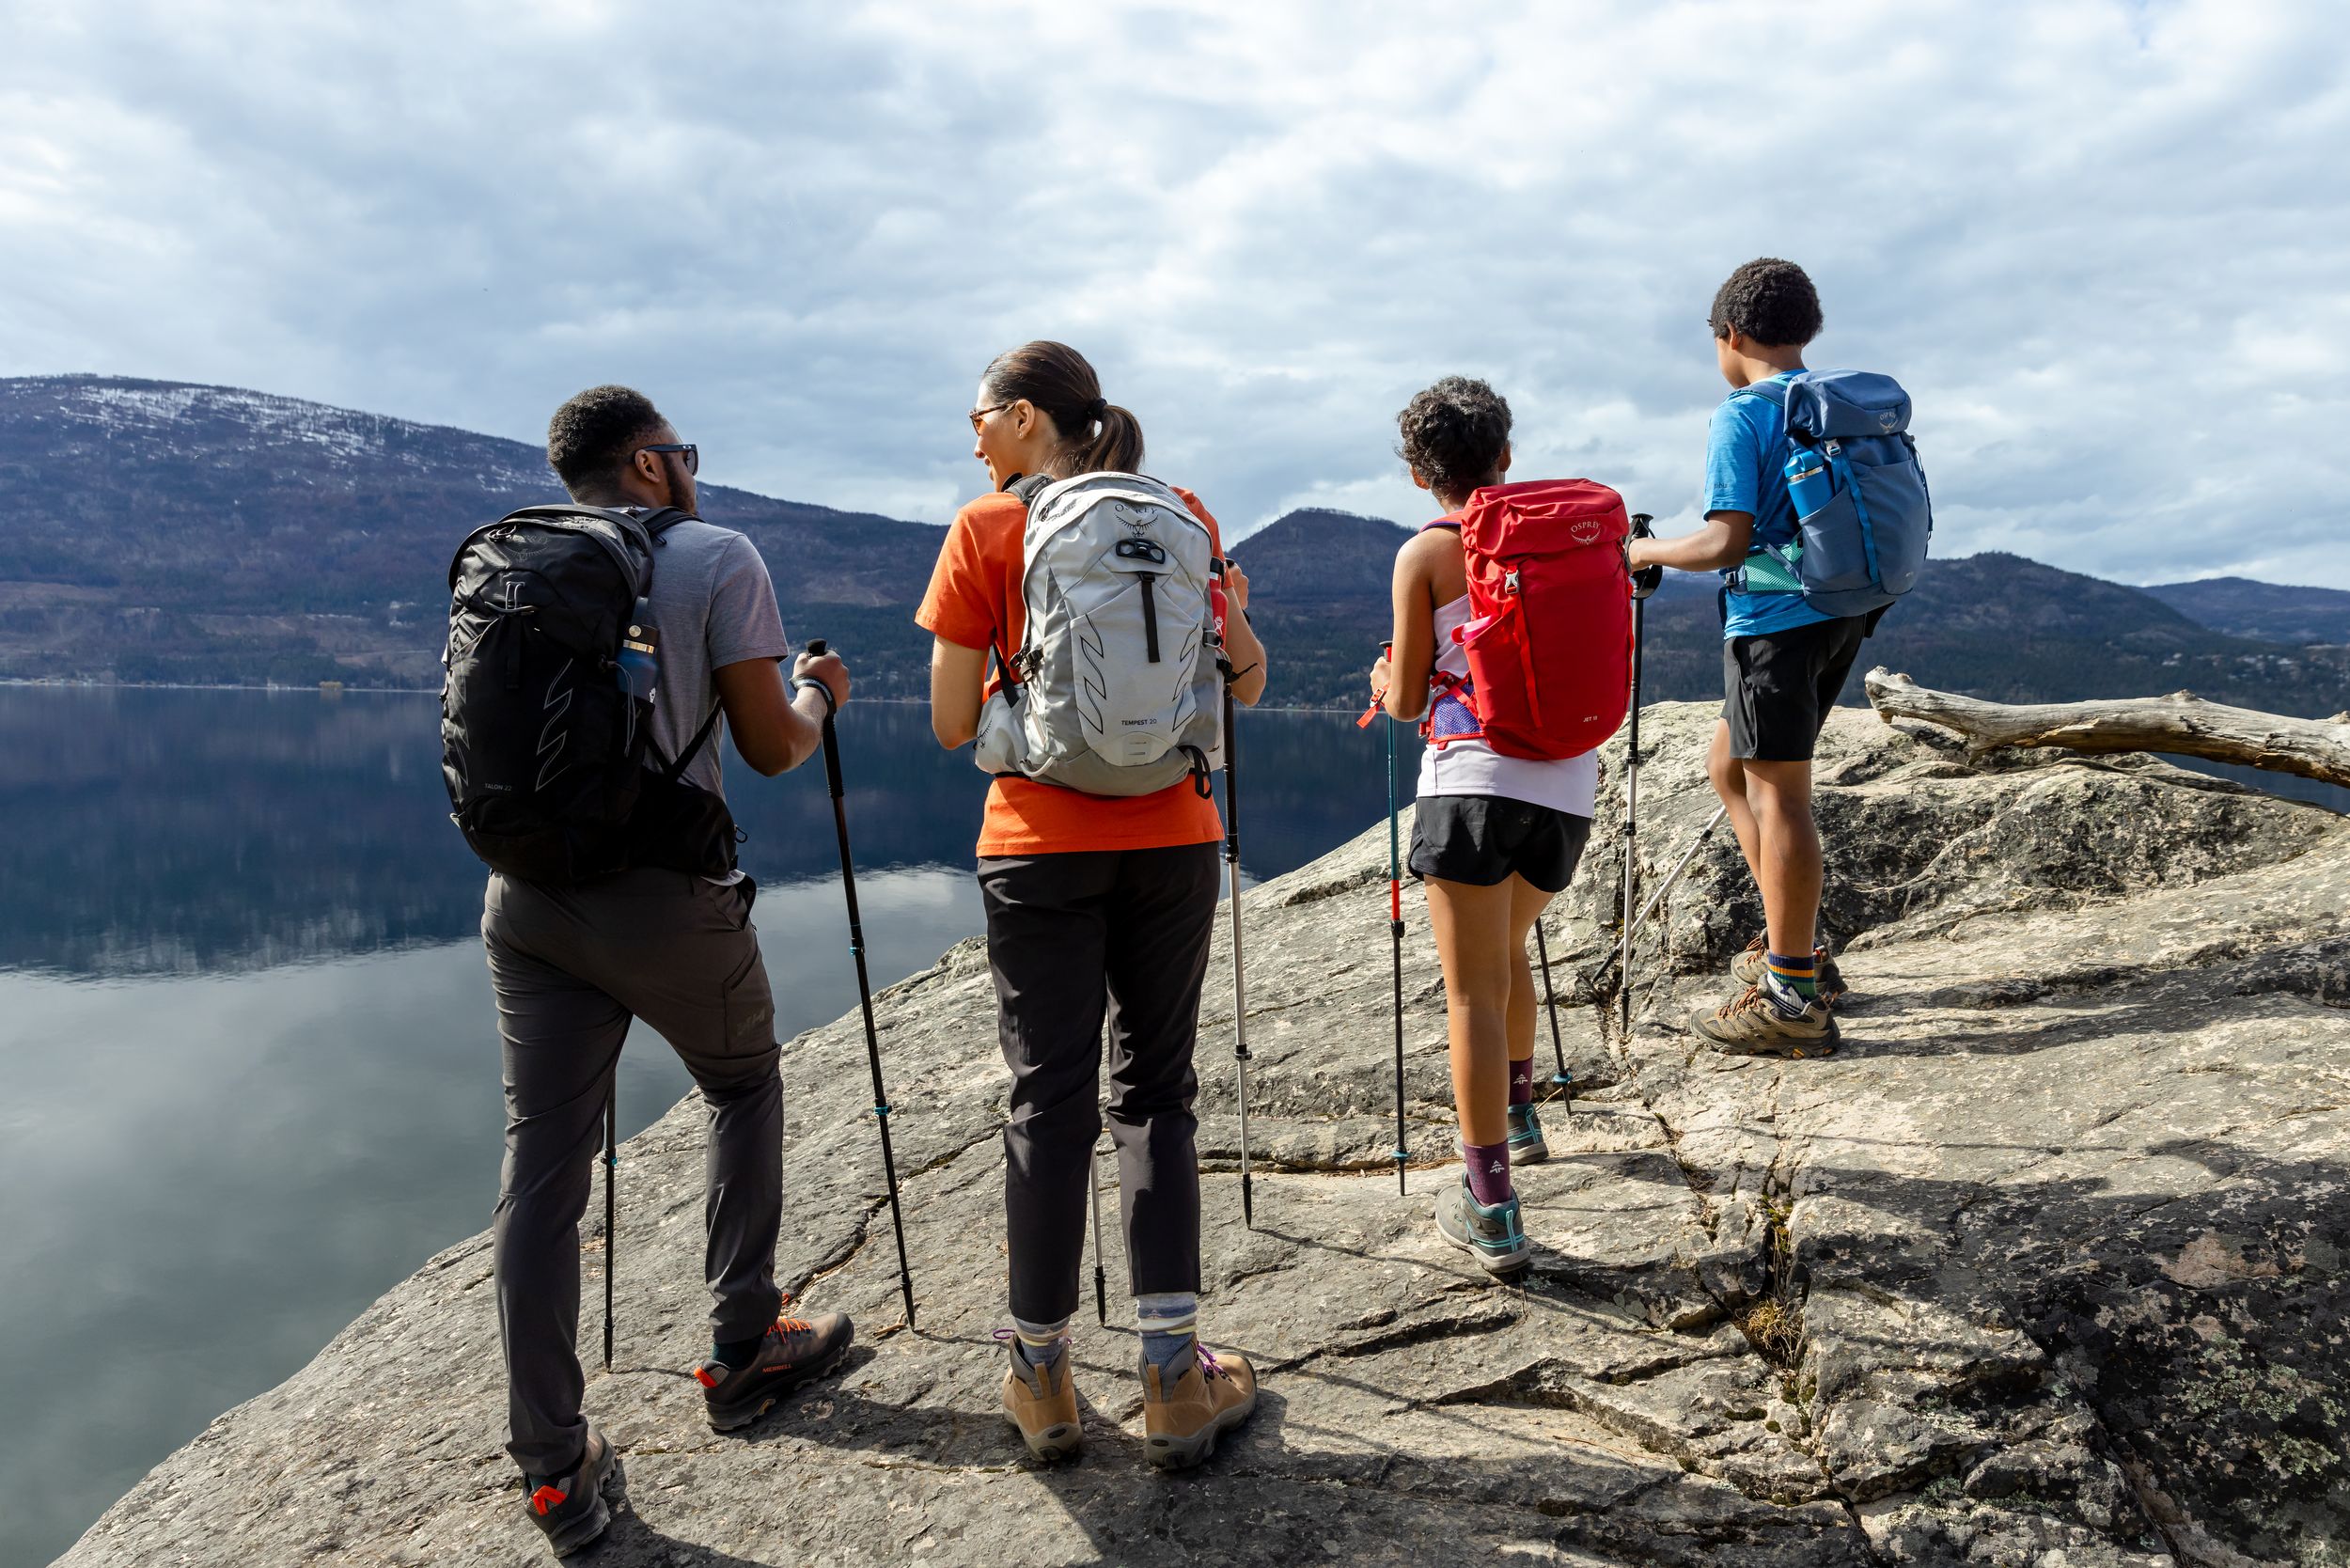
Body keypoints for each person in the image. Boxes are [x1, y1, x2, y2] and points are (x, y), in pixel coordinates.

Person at [480, 386, 854, 1555]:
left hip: (529, 897)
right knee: (742, 1083)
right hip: (661, 894)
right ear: (648, 464)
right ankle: (744, 1344)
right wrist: (819, 695)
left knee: (542, 1164)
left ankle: (552, 1465)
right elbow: (767, 747)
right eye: (682, 453)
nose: (691, 470)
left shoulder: (518, 559)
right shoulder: (714, 554)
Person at [916, 340, 1271, 1469]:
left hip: (1037, 843)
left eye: (978, 418)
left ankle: (1042, 1382)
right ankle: (1173, 1380)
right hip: (1174, 836)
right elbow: (1244, 681)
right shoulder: (1186, 513)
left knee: (1047, 1099)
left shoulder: (986, 530)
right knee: (1157, 1090)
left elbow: (945, 724)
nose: (971, 439)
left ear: (1023, 419)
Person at [1368, 377, 1596, 1278]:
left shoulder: (1426, 554)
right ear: (1505, 455)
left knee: (1470, 991)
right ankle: (1522, 1111)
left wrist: (1387, 682)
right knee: (1507, 953)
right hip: (1566, 790)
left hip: (1470, 786)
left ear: (1423, 477)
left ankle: (1489, 1203)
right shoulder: (1568, 539)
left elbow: (1411, 699)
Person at [1626, 259, 1856, 1058]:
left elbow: (1726, 540)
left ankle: (1793, 989)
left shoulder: (1743, 414)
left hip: (1774, 621)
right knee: (1730, 766)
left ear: (1730, 336)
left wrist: (1642, 549)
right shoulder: (1833, 405)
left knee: (1780, 795)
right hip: (1841, 612)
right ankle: (1796, 947)